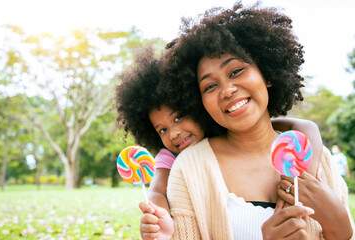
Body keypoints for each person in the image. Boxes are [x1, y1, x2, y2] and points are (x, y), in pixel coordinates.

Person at [140, 2, 354, 240]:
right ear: (199, 101)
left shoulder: (316, 157)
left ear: (267, 74)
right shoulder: (189, 169)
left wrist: (340, 227)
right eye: (210, 86)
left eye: (236, 71)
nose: (227, 90)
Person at [115, 46, 326, 239]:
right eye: (162, 130)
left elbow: (295, 126)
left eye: (179, 117)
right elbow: (156, 190)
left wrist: (308, 164)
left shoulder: (233, 127)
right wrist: (160, 216)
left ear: (195, 106)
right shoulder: (172, 158)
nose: (174, 133)